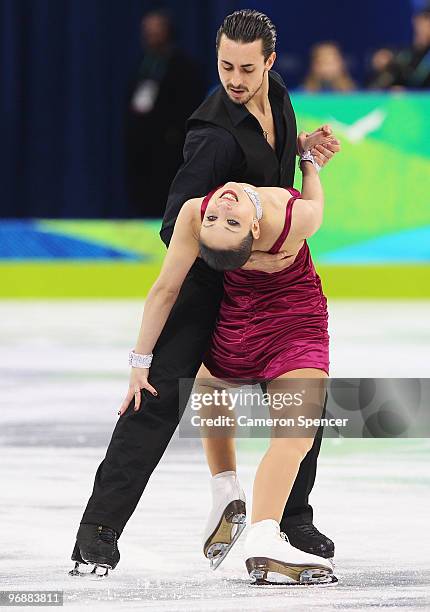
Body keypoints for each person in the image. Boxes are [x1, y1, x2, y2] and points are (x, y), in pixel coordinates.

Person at [69, 9, 340, 579]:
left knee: (299, 388)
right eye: (224, 67)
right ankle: (98, 531)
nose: (235, 80)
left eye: (246, 68)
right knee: (156, 396)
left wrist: (306, 149)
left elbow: (275, 172)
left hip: (267, 289)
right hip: (206, 284)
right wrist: (240, 252)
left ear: (269, 62)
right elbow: (179, 223)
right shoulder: (212, 134)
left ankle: (291, 520)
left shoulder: (280, 97)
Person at [125, 10, 206, 216]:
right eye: (147, 31)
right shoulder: (143, 64)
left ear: (167, 32)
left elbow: (190, 106)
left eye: (155, 31)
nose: (150, 36)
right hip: (142, 149)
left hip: (171, 150)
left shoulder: (183, 67)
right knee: (144, 200)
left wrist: (174, 135)